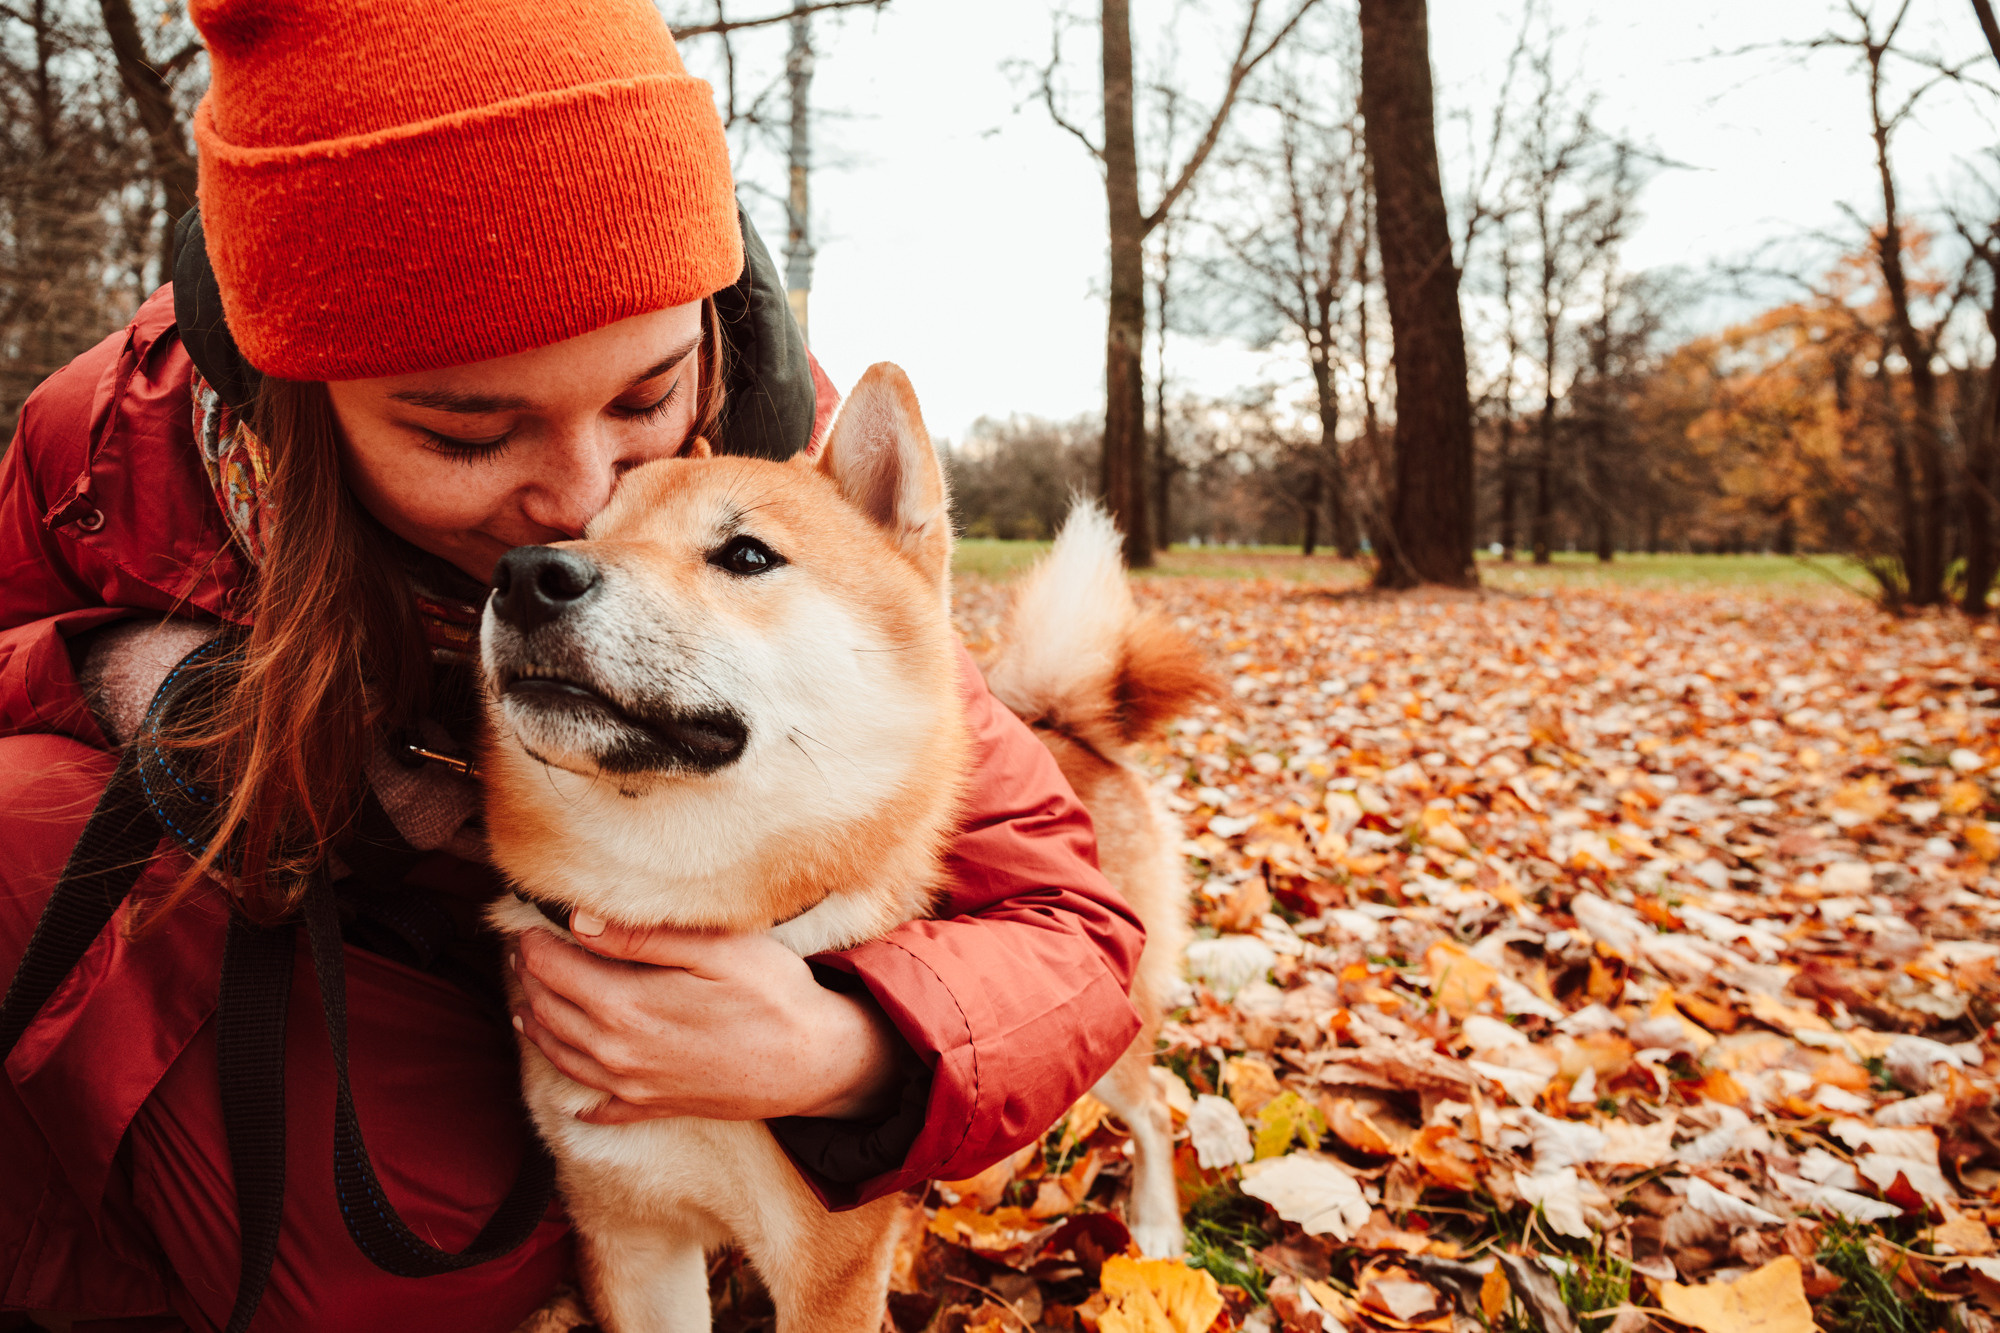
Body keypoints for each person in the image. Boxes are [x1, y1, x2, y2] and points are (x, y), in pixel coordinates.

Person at [0, 1, 1146, 1328]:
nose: (582, 497)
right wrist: (126, 673)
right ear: (294, 392)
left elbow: (1073, 929)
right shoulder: (111, 449)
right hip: (262, 944)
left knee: (399, 1269)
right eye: (468, 430)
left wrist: (845, 1045)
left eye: (647, 394)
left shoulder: (794, 492)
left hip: (499, 1073)